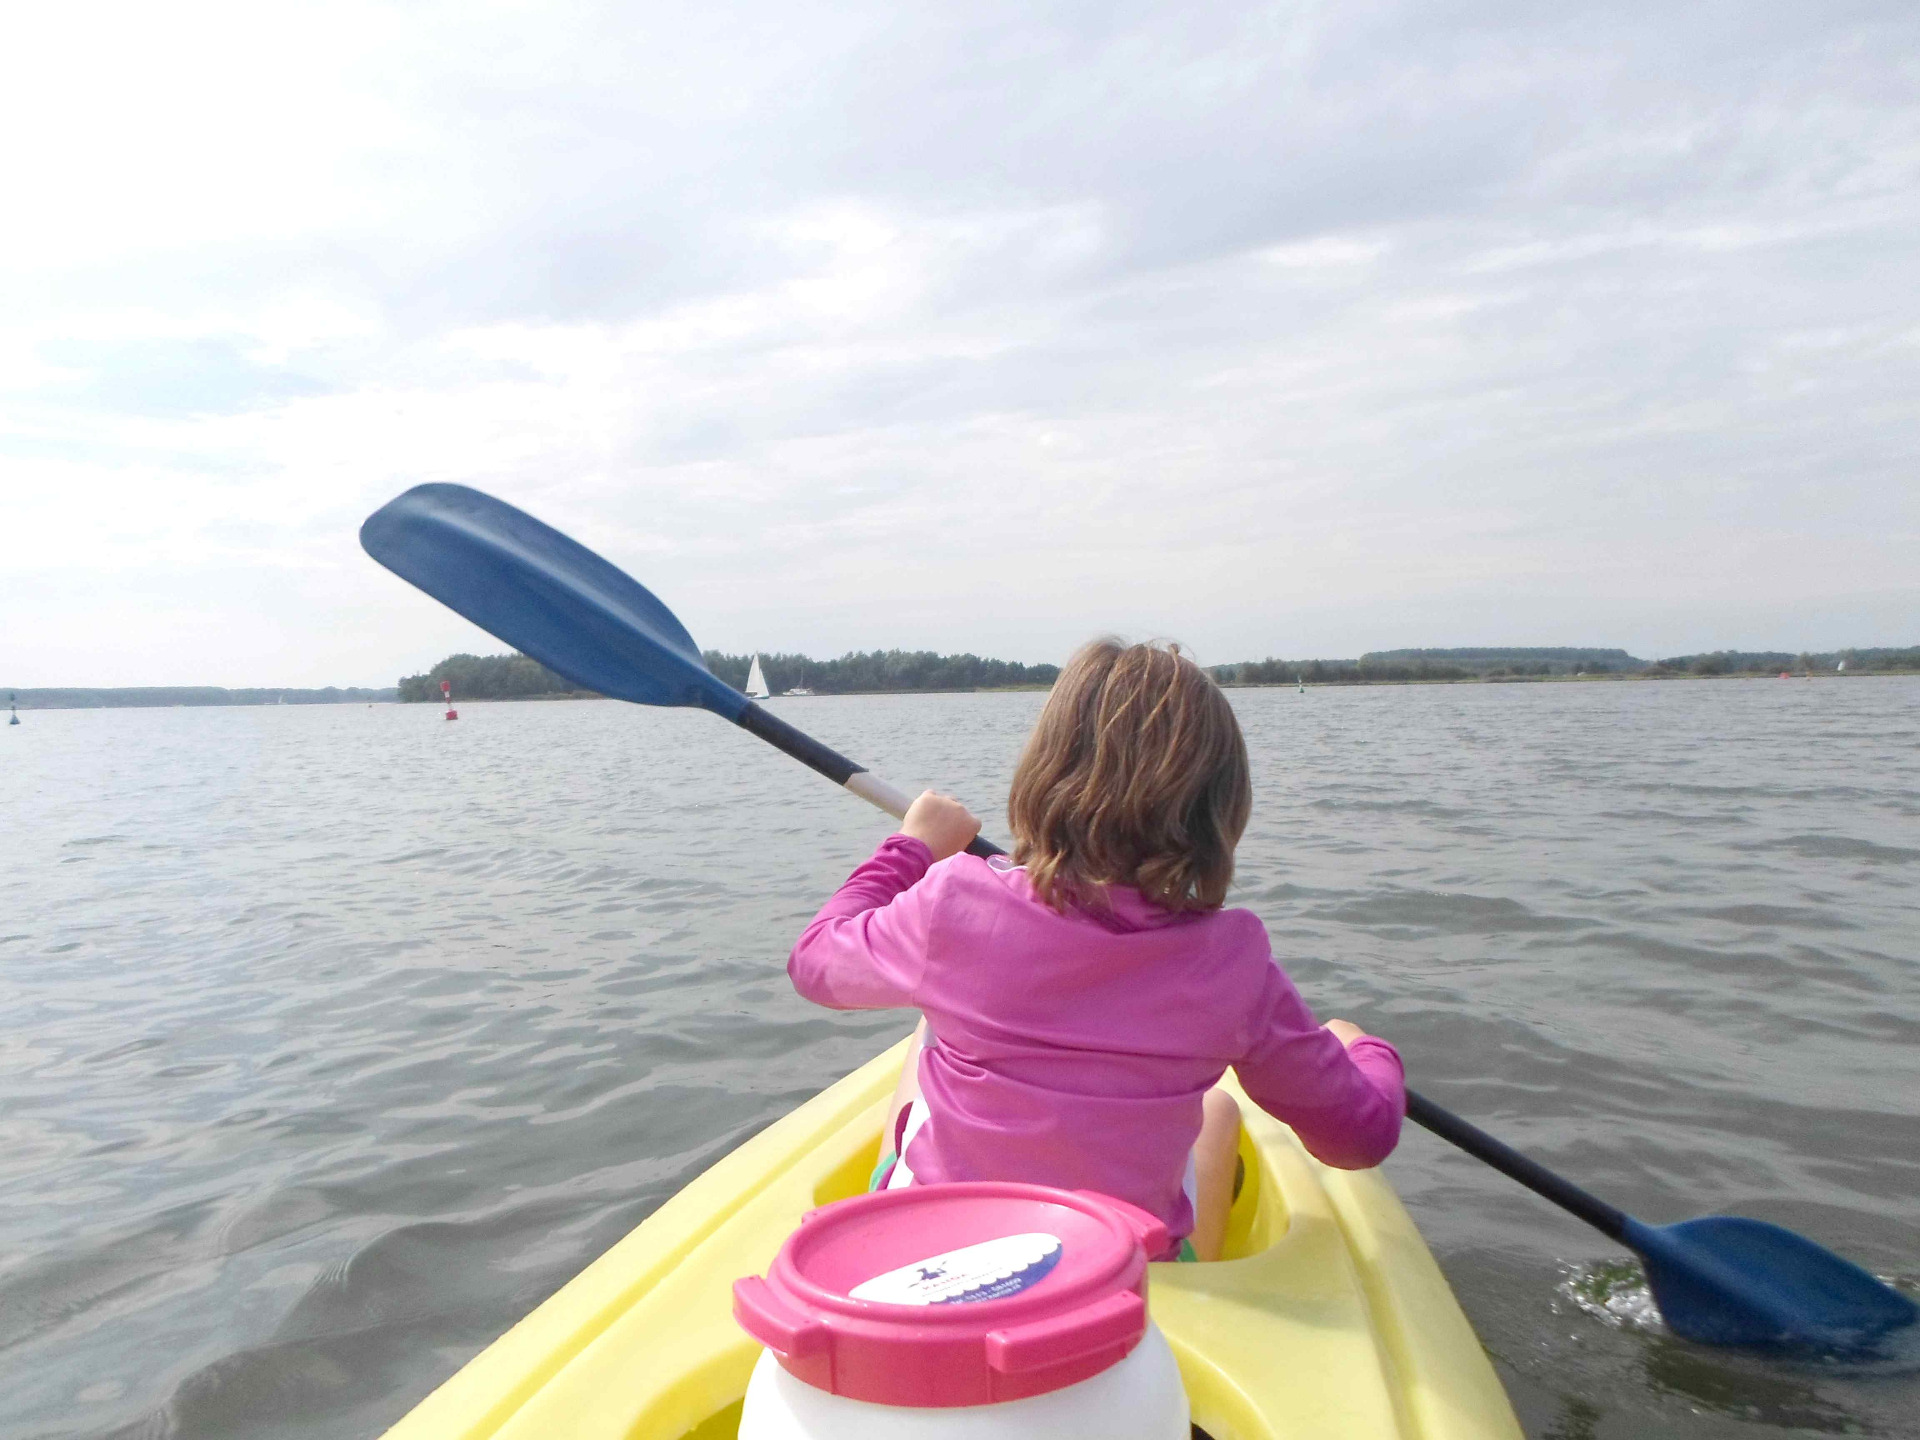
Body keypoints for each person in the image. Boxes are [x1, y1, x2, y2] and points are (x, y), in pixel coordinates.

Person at [787, 639, 1405, 1261]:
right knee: (1216, 1112)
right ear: (1221, 808)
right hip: (1110, 1276)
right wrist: (1362, 1047)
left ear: (1043, 776)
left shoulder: (952, 906)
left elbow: (814, 961)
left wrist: (912, 847)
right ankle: (1188, 1288)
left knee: (931, 1025)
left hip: (938, 1255)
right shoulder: (1234, 962)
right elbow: (1359, 1139)